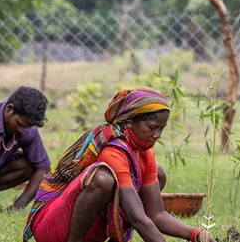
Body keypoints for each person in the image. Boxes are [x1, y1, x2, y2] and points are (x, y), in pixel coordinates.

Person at [23, 87, 216, 242]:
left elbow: (156, 214)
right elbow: (136, 217)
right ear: (128, 122)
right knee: (103, 178)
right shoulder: (113, 151)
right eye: (152, 128)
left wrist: (196, 234)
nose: (157, 135)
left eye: (161, 129)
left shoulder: (144, 153)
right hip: (54, 229)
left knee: (158, 173)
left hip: (91, 231)